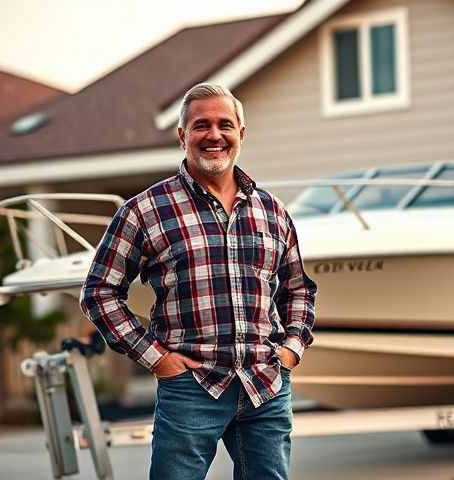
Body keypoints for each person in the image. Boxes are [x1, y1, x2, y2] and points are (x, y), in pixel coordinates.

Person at [80, 83, 317, 480]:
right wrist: (157, 358)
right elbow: (100, 292)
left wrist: (291, 350)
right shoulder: (144, 210)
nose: (214, 135)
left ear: (241, 133)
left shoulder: (272, 210)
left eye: (225, 124)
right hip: (191, 386)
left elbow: (298, 288)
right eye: (201, 125)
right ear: (182, 136)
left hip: (265, 383)